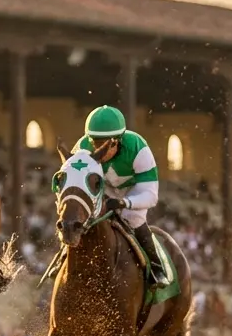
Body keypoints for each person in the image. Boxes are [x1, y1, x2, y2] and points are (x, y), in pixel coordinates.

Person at [71, 105, 167, 286]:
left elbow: (150, 195)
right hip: (103, 190)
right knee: (79, 218)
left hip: (132, 192)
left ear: (118, 141)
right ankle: (61, 261)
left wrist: (124, 202)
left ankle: (156, 268)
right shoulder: (81, 149)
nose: (99, 151)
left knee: (133, 218)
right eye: (95, 144)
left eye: (105, 145)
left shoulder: (138, 148)